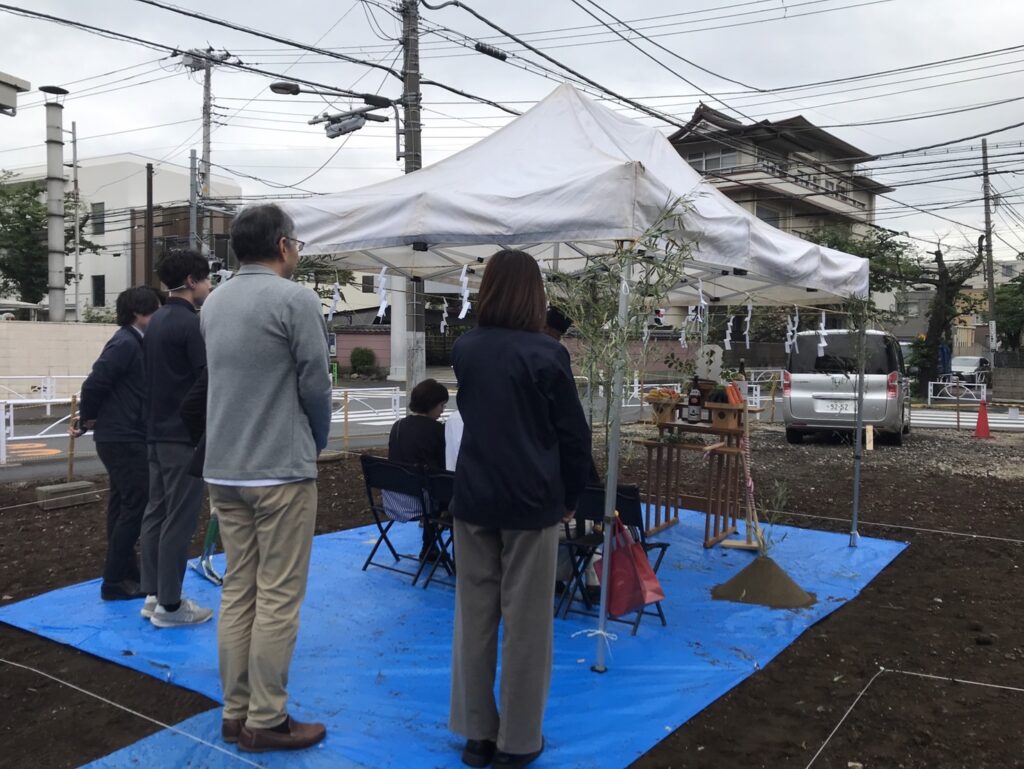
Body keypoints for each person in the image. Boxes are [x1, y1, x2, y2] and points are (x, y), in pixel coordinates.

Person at [449, 249, 592, 769]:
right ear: (536, 295)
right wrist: (572, 498)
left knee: (474, 619)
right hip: (532, 501)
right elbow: (573, 437)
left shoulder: (466, 349)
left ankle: (476, 735)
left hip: (474, 497)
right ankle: (518, 741)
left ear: (487, 290)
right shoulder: (547, 355)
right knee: (527, 624)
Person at [201, 203, 332, 753]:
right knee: (278, 597)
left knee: (238, 590)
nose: (297, 252)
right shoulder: (295, 299)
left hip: (224, 468)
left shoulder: (213, 302)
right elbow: (316, 383)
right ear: (282, 246)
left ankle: (235, 713)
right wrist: (316, 441)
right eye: (296, 244)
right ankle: (268, 719)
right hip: (279, 468)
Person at [139, 249, 213, 628]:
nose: (209, 284)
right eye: (206, 278)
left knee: (157, 513)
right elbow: (206, 380)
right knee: (179, 521)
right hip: (182, 437)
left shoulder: (156, 321)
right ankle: (170, 604)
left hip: (155, 432)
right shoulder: (192, 324)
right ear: (191, 281)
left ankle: (153, 595)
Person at [74, 286, 163, 601]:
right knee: (136, 505)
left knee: (122, 505)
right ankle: (114, 580)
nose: (159, 316)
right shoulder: (125, 343)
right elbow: (96, 382)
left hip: (120, 434)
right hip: (122, 437)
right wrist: (87, 419)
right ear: (139, 313)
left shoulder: (133, 342)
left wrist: (91, 419)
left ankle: (125, 573)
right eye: (155, 310)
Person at [387, 378, 449, 557]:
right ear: (432, 405)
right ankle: (433, 548)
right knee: (451, 494)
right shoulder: (437, 431)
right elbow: (442, 467)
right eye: (441, 406)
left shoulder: (398, 426)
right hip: (421, 501)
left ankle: (429, 548)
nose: (442, 411)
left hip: (392, 497)